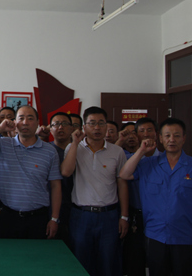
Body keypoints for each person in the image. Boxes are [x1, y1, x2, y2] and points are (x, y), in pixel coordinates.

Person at [119, 118, 192, 276]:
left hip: (185, 236)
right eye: (167, 136)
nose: (172, 139)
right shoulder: (148, 164)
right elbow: (124, 174)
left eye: (177, 135)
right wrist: (141, 151)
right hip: (155, 234)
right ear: (160, 138)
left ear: (184, 138)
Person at [0, 105, 62, 240]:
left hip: (38, 217)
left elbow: (55, 185)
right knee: (9, 253)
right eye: (21, 118)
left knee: (37, 253)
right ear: (15, 122)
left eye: (30, 118)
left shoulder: (49, 151)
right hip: (9, 217)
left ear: (37, 122)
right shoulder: (2, 144)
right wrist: (0, 128)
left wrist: (54, 218)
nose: (25, 122)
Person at [61, 106, 129, 276]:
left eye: (101, 123)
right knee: (80, 262)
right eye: (92, 123)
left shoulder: (117, 151)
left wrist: (124, 216)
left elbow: (122, 184)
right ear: (84, 127)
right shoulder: (73, 147)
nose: (97, 128)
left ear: (106, 126)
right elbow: (66, 172)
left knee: (108, 262)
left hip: (109, 215)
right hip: (81, 215)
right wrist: (75, 143)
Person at [121, 117, 160, 276]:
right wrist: (141, 152)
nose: (146, 134)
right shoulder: (132, 160)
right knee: (135, 259)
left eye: (149, 130)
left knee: (158, 260)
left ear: (156, 134)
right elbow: (124, 175)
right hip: (137, 215)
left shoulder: (165, 159)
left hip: (158, 216)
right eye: (141, 131)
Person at [48, 112, 78, 244]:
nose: (60, 127)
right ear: (50, 129)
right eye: (56, 124)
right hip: (50, 207)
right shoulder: (45, 150)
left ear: (72, 128)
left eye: (65, 124)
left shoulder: (81, 150)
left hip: (76, 207)